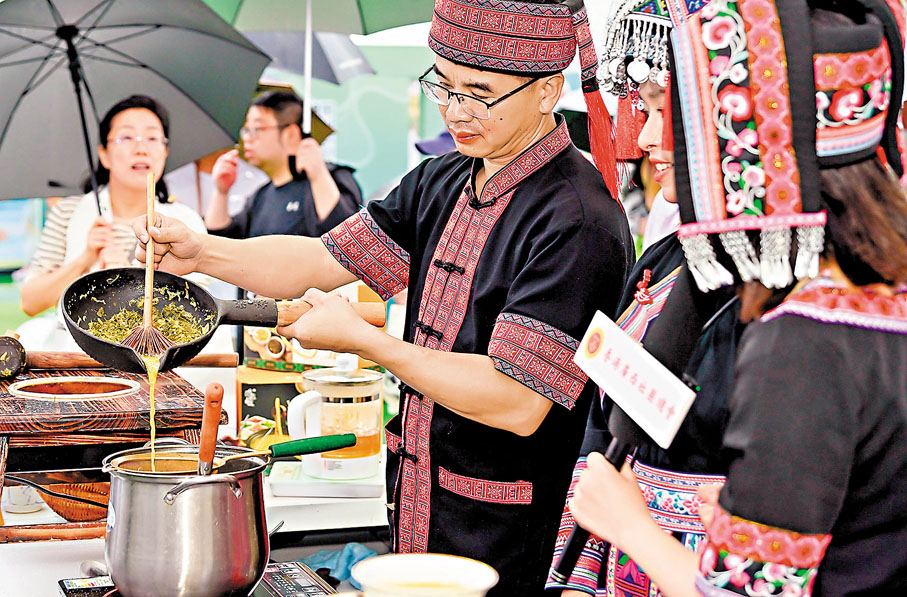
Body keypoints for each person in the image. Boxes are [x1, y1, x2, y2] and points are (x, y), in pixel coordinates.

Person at [133, 0, 633, 593]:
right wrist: (203, 253)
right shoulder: (441, 179)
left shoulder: (578, 221)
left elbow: (517, 402)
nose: (455, 110)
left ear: (548, 90)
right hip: (421, 509)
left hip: (509, 534)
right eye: (443, 86)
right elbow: (322, 260)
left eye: (479, 94)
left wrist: (367, 342)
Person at [568, 1, 907, 595]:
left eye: (686, 121)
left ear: (747, 151)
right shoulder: (878, 300)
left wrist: (629, 526)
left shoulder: (806, 339)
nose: (648, 140)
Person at [546, 2, 740, 595]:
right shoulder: (662, 256)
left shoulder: (783, 291)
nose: (649, 137)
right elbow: (601, 425)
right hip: (615, 556)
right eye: (646, 110)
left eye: (664, 112)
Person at [20, 95, 206, 317]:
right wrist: (85, 259)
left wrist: (128, 280)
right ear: (104, 155)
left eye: (152, 138)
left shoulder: (185, 222)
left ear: (165, 151)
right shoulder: (69, 212)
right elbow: (30, 302)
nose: (141, 148)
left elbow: (197, 308)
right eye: (126, 137)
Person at [204, 90, 362, 239]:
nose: (247, 138)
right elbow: (223, 240)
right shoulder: (260, 196)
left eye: (257, 128)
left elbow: (346, 239)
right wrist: (221, 191)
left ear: (291, 134)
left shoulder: (333, 177)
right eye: (246, 129)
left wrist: (319, 175)